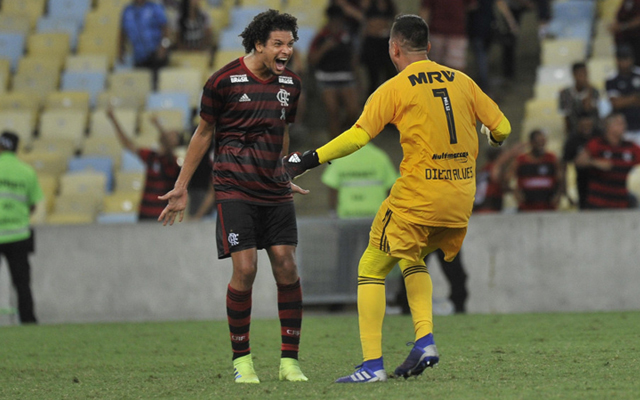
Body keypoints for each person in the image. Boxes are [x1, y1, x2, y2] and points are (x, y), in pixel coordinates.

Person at [283, 14, 512, 382]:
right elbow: (502, 127)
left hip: (419, 197)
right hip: (459, 198)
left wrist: (306, 159)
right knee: (413, 257)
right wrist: (493, 140)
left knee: (370, 268)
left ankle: (372, 366)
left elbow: (358, 137)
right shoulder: (463, 80)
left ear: (394, 48)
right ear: (429, 47)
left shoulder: (395, 87)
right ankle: (424, 340)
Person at [157, 10, 309, 384]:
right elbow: (203, 134)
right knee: (245, 269)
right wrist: (180, 186)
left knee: (286, 266)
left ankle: (289, 362)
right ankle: (243, 361)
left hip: (273, 189)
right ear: (259, 44)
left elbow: (282, 130)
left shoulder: (291, 84)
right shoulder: (223, 80)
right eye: (278, 43)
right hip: (234, 188)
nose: (286, 50)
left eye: (290, 44)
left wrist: (283, 170)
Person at [106, 109, 181, 221]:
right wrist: (114, 120)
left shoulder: (172, 162)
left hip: (162, 214)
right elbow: (128, 144)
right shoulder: (151, 156)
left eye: (172, 136)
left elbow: (168, 149)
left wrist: (158, 125)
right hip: (145, 212)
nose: (168, 136)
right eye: (168, 134)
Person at [0, 131, 43, 325]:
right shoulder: (26, 171)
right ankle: (28, 322)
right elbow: (34, 204)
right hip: (18, 234)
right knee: (22, 284)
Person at [307, 5, 361, 139]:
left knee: (354, 111)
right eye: (334, 20)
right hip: (326, 79)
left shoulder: (347, 35)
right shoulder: (321, 36)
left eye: (339, 20)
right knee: (333, 112)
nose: (337, 23)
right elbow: (312, 59)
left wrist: (357, 78)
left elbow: (354, 58)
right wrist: (325, 48)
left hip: (346, 77)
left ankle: (343, 132)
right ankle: (334, 146)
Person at [575, 113, 640, 209]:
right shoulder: (597, 144)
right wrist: (595, 162)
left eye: (624, 123)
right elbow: (579, 161)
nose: (624, 126)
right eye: (619, 123)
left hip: (621, 203)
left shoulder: (631, 147)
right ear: (609, 126)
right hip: (598, 203)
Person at [119, 0, 171, 88]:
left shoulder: (155, 8)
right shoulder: (127, 11)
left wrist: (164, 46)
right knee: (140, 86)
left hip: (156, 56)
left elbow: (166, 28)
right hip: (138, 56)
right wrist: (120, 50)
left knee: (156, 86)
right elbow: (122, 33)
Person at [511, 129, 561, 211]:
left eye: (543, 142)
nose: (541, 145)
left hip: (548, 208)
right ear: (531, 142)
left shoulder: (552, 159)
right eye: (538, 142)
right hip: (526, 208)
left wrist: (558, 195)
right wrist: (516, 193)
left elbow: (560, 180)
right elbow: (509, 179)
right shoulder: (521, 160)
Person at [419, 0, 477, 71]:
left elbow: (425, 10)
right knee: (455, 68)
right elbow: (472, 6)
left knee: (435, 68)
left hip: (439, 31)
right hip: (453, 32)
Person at [359, 0, 398, 97]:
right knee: (373, 77)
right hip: (372, 42)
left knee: (389, 73)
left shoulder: (389, 4)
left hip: (385, 41)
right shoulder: (368, 3)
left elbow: (395, 19)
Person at [561, 113, 600, 209]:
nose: (586, 128)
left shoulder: (600, 136)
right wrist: (565, 189)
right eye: (583, 126)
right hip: (583, 180)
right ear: (578, 125)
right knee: (585, 208)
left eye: (588, 125)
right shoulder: (572, 140)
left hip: (602, 180)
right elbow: (564, 164)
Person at [606, 45, 640, 145]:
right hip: (624, 129)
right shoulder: (612, 79)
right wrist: (634, 98)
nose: (625, 63)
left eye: (627, 59)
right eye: (622, 59)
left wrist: (625, 100)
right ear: (617, 60)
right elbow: (616, 103)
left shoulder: (638, 73)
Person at [558, 62, 601, 136]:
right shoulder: (565, 93)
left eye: (585, 73)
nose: (583, 77)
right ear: (574, 75)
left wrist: (588, 90)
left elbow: (589, 109)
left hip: (593, 131)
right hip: (574, 131)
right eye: (580, 74)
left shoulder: (594, 91)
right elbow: (567, 118)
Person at [609, 0, 640, 65]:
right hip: (624, 40)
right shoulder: (625, 3)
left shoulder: (637, 2)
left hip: (635, 40)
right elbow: (618, 17)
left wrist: (622, 26)